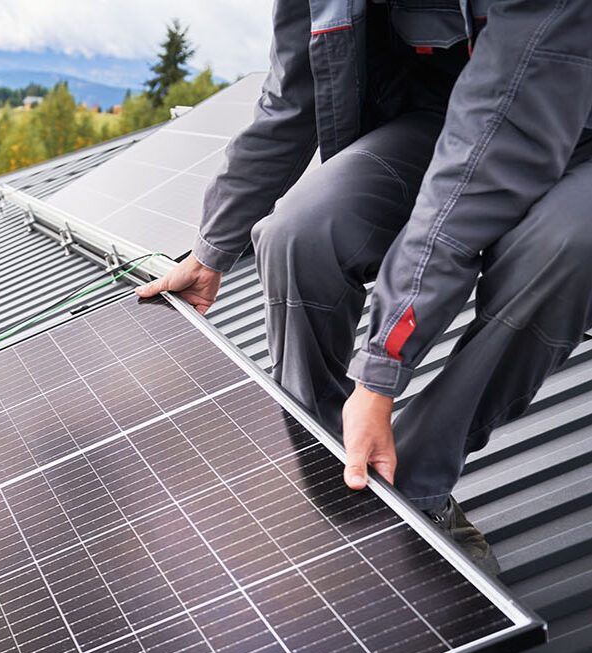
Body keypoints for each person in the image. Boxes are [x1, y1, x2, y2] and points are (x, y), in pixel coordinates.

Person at [138, 0, 592, 575]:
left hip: (569, 124)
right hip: (442, 120)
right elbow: (293, 94)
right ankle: (335, 473)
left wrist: (380, 370)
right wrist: (213, 246)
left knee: (561, 253)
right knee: (297, 233)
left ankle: (417, 488)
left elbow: (485, 161)